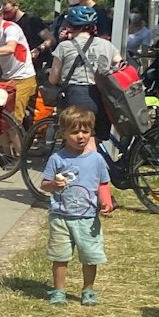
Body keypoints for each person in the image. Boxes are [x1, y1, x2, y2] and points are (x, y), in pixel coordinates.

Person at [40, 106, 113, 306]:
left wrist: (106, 201)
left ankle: (88, 290)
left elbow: (102, 183)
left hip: (87, 218)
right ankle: (59, 290)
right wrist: (54, 185)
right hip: (61, 217)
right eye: (74, 132)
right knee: (60, 256)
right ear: (63, 133)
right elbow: (44, 184)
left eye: (85, 131)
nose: (80, 136)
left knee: (90, 256)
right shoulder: (57, 159)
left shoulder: (96, 159)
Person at [47, 3, 119, 141]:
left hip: (76, 97)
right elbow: (120, 64)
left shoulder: (64, 46)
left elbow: (53, 79)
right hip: (102, 98)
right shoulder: (106, 45)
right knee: (95, 139)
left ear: (70, 26)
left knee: (79, 141)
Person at [0, 0, 38, 125]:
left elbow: (10, 48)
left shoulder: (10, 28)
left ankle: (19, 144)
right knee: (2, 113)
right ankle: (6, 144)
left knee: (14, 118)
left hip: (23, 77)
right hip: (7, 78)